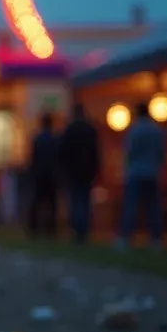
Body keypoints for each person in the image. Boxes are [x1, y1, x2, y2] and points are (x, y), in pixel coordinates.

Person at [117, 100, 167, 250]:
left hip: (135, 173)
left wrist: (125, 169)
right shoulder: (157, 130)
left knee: (131, 206)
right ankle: (155, 239)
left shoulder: (134, 130)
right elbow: (162, 153)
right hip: (152, 173)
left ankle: (125, 237)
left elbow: (129, 152)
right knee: (153, 207)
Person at [57, 102, 100, 243]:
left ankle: (76, 228)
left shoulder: (70, 130)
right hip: (87, 171)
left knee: (75, 199)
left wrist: (64, 169)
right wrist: (96, 170)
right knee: (85, 200)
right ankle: (84, 229)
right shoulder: (90, 130)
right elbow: (95, 152)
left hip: (73, 171)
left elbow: (63, 152)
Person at [26, 112, 60, 237]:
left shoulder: (38, 139)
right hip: (51, 175)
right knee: (51, 203)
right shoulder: (55, 139)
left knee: (37, 201)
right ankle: (51, 229)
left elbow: (33, 158)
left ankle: (34, 228)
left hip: (39, 175)